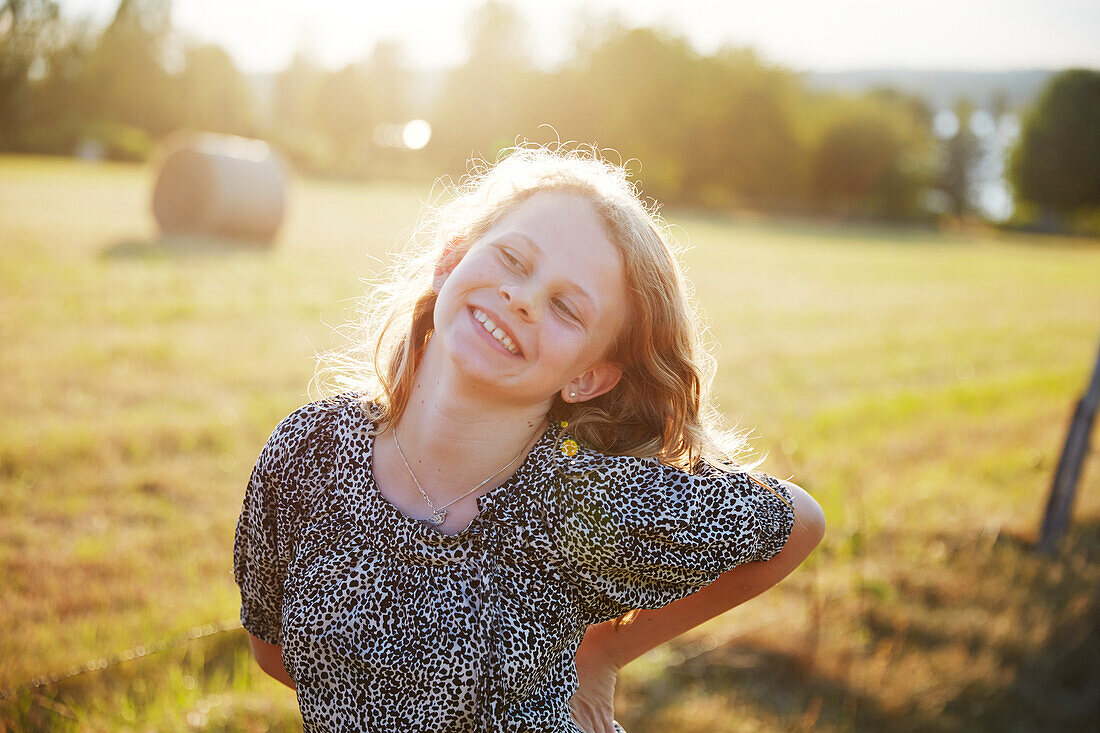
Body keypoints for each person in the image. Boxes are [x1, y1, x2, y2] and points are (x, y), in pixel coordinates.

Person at [233, 145, 825, 732]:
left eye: (567, 308)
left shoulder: (581, 497)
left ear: (587, 376)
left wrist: (603, 652)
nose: (523, 297)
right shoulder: (310, 448)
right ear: (451, 260)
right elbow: (272, 652)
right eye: (513, 259)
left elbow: (798, 523)